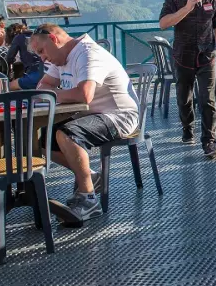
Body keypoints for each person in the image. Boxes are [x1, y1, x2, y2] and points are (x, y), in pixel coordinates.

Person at [32, 24, 140, 221]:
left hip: (120, 116)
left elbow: (84, 95)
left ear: (53, 40)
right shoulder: (60, 58)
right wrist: (55, 92)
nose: (42, 58)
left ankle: (89, 200)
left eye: (41, 51)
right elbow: (43, 85)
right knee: (42, 138)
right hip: (91, 114)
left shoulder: (87, 54)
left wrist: (54, 94)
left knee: (67, 134)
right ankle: (92, 177)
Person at [159, 0, 216, 158]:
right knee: (184, 98)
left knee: (208, 99)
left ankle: (209, 142)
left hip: (207, 55)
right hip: (183, 56)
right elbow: (163, 23)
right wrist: (187, 8)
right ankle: (187, 128)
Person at [6, 23, 45, 90]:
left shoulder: (18, 38)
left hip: (33, 74)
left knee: (8, 86)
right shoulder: (37, 35)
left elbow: (9, 58)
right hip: (46, 72)